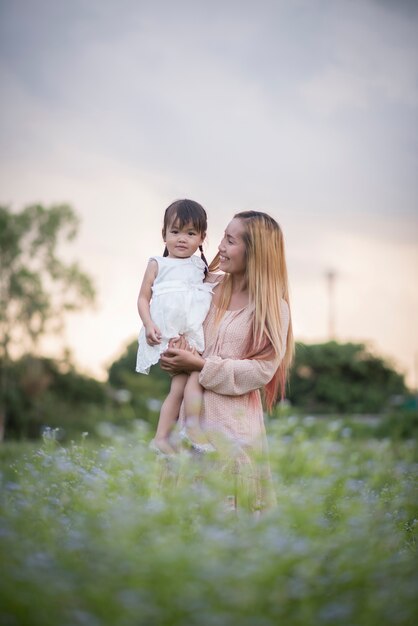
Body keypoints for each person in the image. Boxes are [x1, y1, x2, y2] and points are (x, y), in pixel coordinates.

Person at [160, 210, 294, 511]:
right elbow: (176, 326)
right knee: (182, 527)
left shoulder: (272, 309)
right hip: (188, 424)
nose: (220, 246)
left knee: (230, 526)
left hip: (233, 433)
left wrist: (200, 366)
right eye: (223, 236)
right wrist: (170, 356)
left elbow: (261, 370)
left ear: (255, 253)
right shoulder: (204, 287)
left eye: (231, 241)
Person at [136, 199, 214, 455]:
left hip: (189, 335)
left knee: (187, 382)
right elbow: (143, 298)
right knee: (193, 378)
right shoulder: (158, 263)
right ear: (164, 234)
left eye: (191, 233)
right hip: (167, 334)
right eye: (175, 231)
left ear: (202, 237)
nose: (182, 238)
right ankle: (186, 431)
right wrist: (148, 325)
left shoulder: (200, 266)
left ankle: (165, 436)